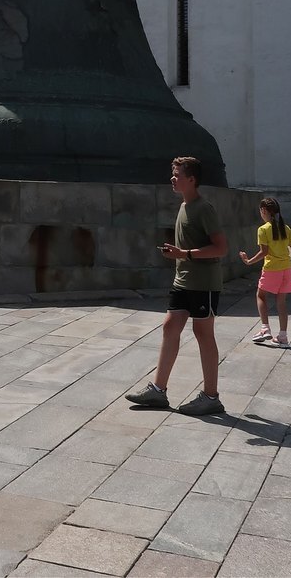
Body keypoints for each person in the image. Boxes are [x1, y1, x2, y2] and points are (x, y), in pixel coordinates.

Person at [126, 156, 228, 416]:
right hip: (182, 280)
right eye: (172, 174)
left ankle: (211, 396)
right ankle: (158, 391)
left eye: (177, 175)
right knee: (170, 326)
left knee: (203, 333)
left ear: (191, 179)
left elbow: (221, 248)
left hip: (203, 282)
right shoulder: (184, 205)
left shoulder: (204, 208)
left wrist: (185, 253)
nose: (172, 178)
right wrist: (179, 253)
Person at [240, 196, 291, 347]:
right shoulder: (285, 228)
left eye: (261, 211)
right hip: (286, 269)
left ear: (264, 211)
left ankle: (265, 328)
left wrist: (248, 261)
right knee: (281, 302)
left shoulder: (263, 229)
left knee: (261, 295)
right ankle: (283, 336)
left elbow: (264, 252)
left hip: (271, 269)